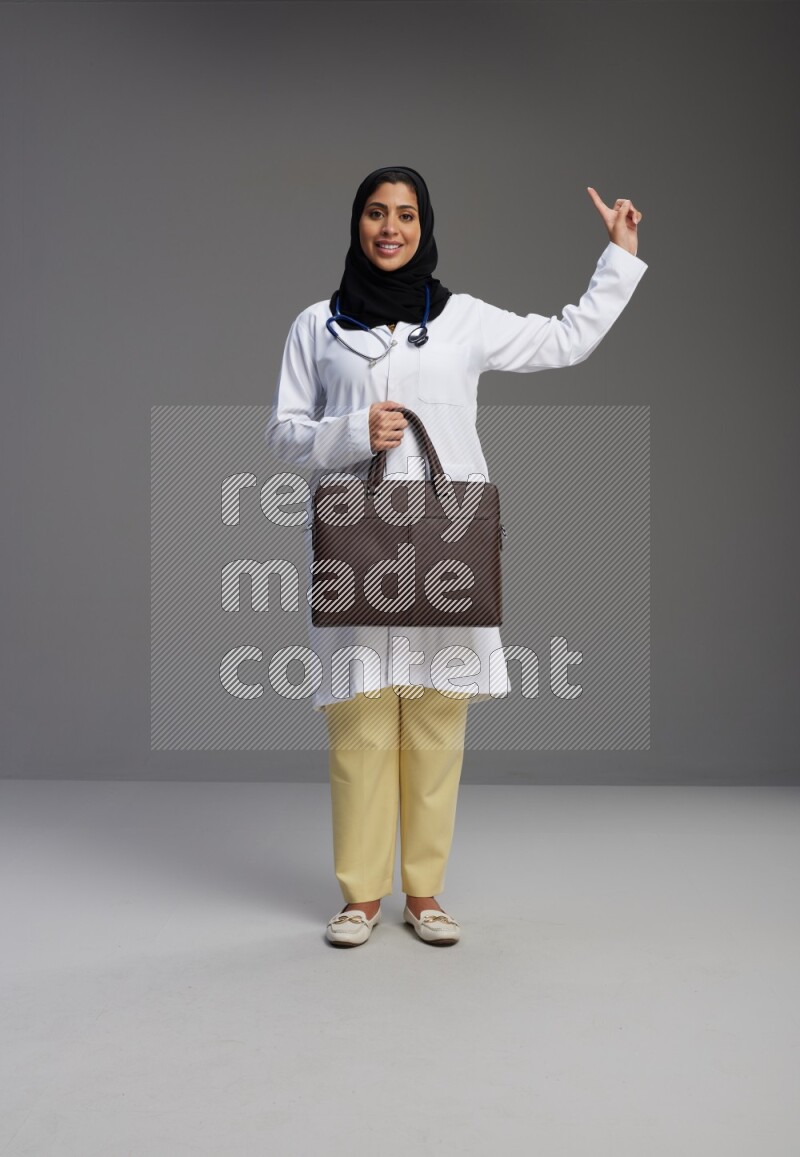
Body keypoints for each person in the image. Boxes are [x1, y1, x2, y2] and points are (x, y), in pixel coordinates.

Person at [265, 165, 647, 947]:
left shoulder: (464, 319)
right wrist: (347, 434)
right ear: (357, 224)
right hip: (358, 536)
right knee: (361, 722)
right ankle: (360, 897)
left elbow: (566, 338)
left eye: (405, 213)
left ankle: (426, 892)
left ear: (424, 223)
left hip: (445, 536)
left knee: (438, 721)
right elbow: (282, 431)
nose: (390, 227)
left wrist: (618, 258)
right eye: (376, 213)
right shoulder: (316, 325)